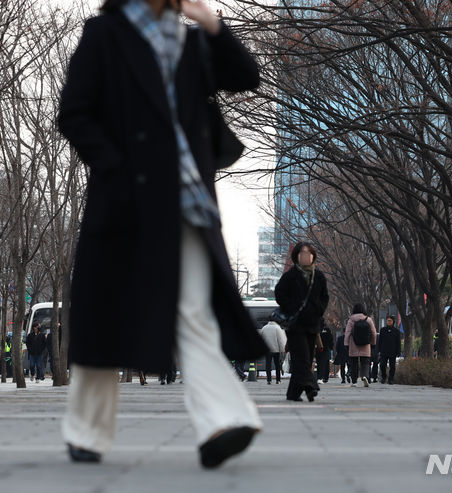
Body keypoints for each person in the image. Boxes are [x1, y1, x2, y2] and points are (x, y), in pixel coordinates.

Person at [58, 0, 267, 468]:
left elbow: (246, 77)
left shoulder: (192, 41)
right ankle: (86, 431)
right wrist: (115, 167)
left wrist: (213, 23)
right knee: (105, 315)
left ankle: (224, 421)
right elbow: (73, 114)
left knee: (194, 312)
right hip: (124, 199)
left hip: (188, 201)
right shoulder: (104, 35)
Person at [275, 242, 330, 402]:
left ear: (313, 256)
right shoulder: (291, 275)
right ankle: (311, 387)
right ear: (296, 257)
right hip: (295, 325)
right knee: (302, 358)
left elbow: (324, 296)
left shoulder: (318, 276)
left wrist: (319, 309)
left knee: (306, 358)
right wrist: (291, 307)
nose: (306, 256)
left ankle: (292, 393)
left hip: (312, 324)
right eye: (302, 253)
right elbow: (279, 294)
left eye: (308, 253)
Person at [344, 304, 377, 388]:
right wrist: (373, 343)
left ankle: (354, 381)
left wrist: (346, 344)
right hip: (365, 344)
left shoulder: (351, 320)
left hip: (353, 344)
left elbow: (347, 333)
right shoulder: (368, 319)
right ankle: (365, 376)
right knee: (365, 362)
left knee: (354, 363)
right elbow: (373, 333)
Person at [260, 320, 287, 384]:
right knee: (277, 365)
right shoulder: (277, 328)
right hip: (276, 350)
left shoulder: (264, 328)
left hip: (267, 350)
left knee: (268, 365)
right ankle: (278, 380)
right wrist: (282, 350)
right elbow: (280, 340)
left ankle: (269, 380)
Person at [378, 316, 401, 385]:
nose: (389, 322)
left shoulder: (396, 331)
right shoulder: (382, 330)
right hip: (384, 351)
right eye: (387, 320)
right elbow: (380, 341)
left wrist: (398, 351)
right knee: (382, 365)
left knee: (392, 366)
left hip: (393, 351)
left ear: (393, 322)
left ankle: (391, 379)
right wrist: (379, 350)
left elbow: (398, 342)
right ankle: (384, 377)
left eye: (390, 321)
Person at [316, 319, 334, 384]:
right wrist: (331, 347)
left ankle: (319, 377)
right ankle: (325, 377)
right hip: (326, 349)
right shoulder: (327, 330)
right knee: (325, 363)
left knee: (319, 363)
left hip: (318, 348)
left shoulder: (316, 329)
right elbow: (331, 339)